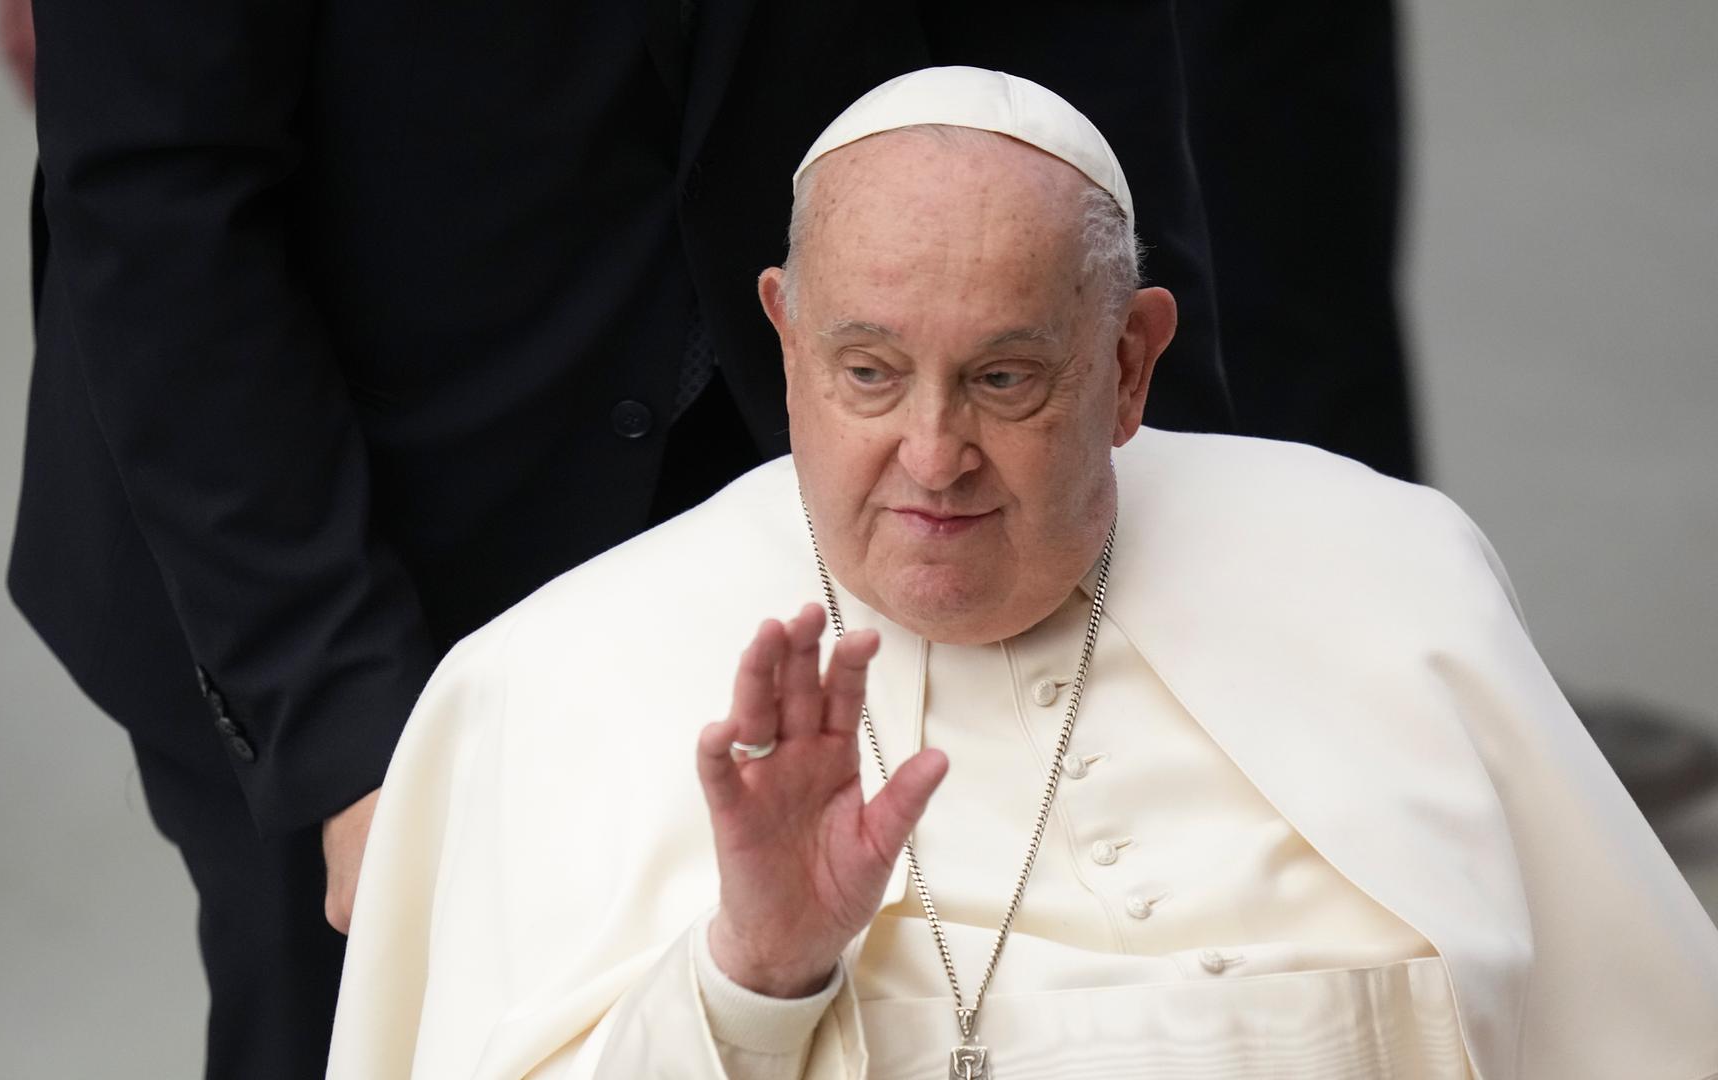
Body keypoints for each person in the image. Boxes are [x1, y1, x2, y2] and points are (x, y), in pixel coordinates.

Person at [328, 68, 1718, 1079]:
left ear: (1129, 364)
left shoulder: (1383, 575)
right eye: (870, 372)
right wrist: (754, 974)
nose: (935, 457)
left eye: (1004, 378)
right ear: (787, 341)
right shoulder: (560, 676)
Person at [10, 4, 1234, 1075]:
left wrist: (1169, 533)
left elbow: (1084, 73)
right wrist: (344, 734)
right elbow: (159, 196)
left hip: (846, 472)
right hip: (335, 539)